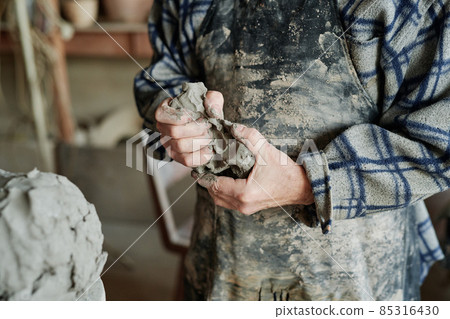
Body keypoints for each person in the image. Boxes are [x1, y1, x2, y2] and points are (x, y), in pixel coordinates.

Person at [134, 0, 449, 300]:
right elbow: (163, 75)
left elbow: (441, 139)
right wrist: (176, 115)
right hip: (225, 261)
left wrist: (310, 183)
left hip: (357, 275)